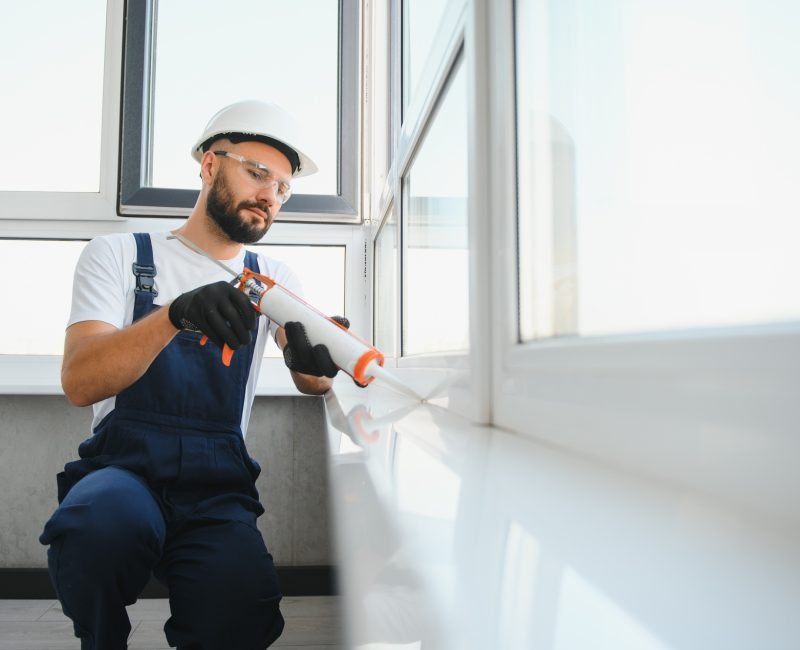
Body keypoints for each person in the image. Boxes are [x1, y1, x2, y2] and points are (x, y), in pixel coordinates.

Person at [39, 100, 342, 650]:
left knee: (240, 609)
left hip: (217, 486)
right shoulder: (120, 255)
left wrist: (314, 361)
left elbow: (312, 378)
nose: (269, 196)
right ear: (209, 166)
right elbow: (80, 381)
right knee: (93, 528)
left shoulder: (272, 276)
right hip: (126, 466)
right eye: (257, 174)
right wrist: (173, 315)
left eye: (282, 189)